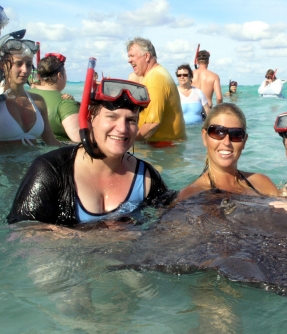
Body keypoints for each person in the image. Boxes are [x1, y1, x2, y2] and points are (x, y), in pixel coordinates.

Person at [8, 78, 169, 225]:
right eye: (112, 117)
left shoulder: (147, 177)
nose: (122, 129)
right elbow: (21, 232)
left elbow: (172, 219)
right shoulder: (51, 170)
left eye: (131, 120)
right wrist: (96, 237)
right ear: (90, 118)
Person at [178, 103, 278, 200]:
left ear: (244, 141)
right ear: (204, 137)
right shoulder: (190, 196)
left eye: (236, 134)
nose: (226, 142)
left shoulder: (262, 184)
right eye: (218, 132)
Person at [0, 31, 62, 146]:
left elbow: (51, 142)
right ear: (3, 65)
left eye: (28, 64)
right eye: (18, 64)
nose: (25, 70)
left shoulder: (38, 101)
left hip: (34, 162)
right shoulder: (1, 100)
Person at [127, 37, 186, 142]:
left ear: (146, 56)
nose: (129, 60)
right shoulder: (156, 74)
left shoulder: (155, 78)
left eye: (132, 56)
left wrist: (130, 143)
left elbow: (152, 124)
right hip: (164, 147)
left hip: (163, 150)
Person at [28, 53, 81, 142]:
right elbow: (79, 139)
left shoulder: (25, 95)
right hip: (57, 152)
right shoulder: (65, 102)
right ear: (60, 75)